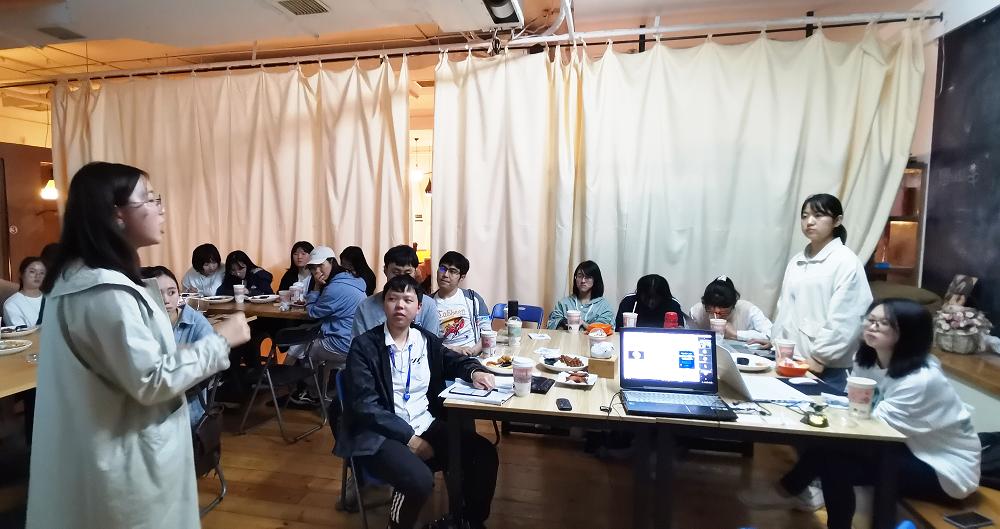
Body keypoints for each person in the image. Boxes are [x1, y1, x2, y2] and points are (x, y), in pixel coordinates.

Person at [26, 161, 250, 529]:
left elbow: (128, 367)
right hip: (123, 457)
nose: (160, 208)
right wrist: (221, 340)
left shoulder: (80, 281)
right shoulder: (104, 292)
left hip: (104, 444)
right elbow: (151, 380)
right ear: (116, 214)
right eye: (149, 198)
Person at [743, 299, 981, 529]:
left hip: (944, 468)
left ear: (908, 332)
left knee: (834, 458)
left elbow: (876, 432)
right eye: (870, 319)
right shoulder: (867, 360)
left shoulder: (921, 379)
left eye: (884, 323)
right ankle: (795, 493)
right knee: (831, 455)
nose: (872, 326)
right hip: (906, 448)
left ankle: (790, 491)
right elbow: (853, 407)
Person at [338, 274, 499, 529]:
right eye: (392, 299)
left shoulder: (425, 340)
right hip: (381, 433)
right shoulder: (364, 346)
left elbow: (452, 360)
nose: (400, 306)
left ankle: (468, 522)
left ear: (419, 308)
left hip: (424, 423)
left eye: (407, 300)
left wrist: (474, 371)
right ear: (384, 305)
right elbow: (365, 406)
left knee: (483, 453)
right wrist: (409, 439)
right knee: (419, 480)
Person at [771, 194, 873, 390]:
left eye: (818, 215)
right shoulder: (797, 260)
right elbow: (785, 307)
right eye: (804, 216)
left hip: (826, 367)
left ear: (837, 221)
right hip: (792, 360)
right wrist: (774, 340)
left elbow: (848, 317)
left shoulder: (846, 262)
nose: (809, 221)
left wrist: (820, 358)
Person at [286, 246, 367, 407]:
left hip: (343, 343)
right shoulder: (352, 279)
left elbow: (313, 312)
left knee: (303, 349)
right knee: (306, 343)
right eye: (313, 267)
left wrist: (316, 286)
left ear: (331, 262)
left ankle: (311, 392)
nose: (317, 271)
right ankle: (318, 389)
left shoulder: (334, 288)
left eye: (320, 265)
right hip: (358, 340)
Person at [142, 265, 218, 427]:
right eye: (158, 294)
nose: (166, 300)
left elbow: (211, 365)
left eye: (172, 292)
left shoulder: (195, 321)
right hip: (149, 414)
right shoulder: (142, 324)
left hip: (188, 412)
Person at [352, 245, 440, 337]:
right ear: (385, 271)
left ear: (415, 272)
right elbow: (358, 344)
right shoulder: (365, 307)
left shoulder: (428, 305)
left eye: (407, 273)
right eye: (396, 272)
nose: (401, 279)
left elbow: (432, 342)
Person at [433, 251, 490, 355]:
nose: (445, 274)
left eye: (452, 271)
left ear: (462, 277)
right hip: (445, 357)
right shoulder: (428, 303)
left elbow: (487, 333)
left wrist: (473, 351)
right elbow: (427, 341)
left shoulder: (473, 299)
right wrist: (454, 349)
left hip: (473, 356)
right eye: (442, 269)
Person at [689, 276, 772, 341]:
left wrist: (735, 334)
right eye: (712, 306)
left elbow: (770, 335)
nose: (717, 311)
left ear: (733, 305)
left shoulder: (748, 310)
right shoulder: (696, 312)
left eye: (722, 306)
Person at [546, 260, 615, 330]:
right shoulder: (563, 303)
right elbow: (551, 325)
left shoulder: (604, 306)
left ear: (595, 280)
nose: (583, 281)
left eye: (588, 277)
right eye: (580, 276)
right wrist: (562, 323)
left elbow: (605, 329)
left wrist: (583, 324)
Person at [615, 274, 687, 328]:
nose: (651, 301)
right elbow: (618, 330)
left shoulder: (672, 304)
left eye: (656, 297)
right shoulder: (629, 302)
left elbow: (680, 330)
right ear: (640, 294)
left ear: (664, 295)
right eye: (647, 297)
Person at [3, 257, 46, 327]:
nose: (38, 275)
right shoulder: (11, 304)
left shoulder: (53, 299)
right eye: (32, 271)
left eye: (42, 273)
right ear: (21, 274)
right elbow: (21, 331)